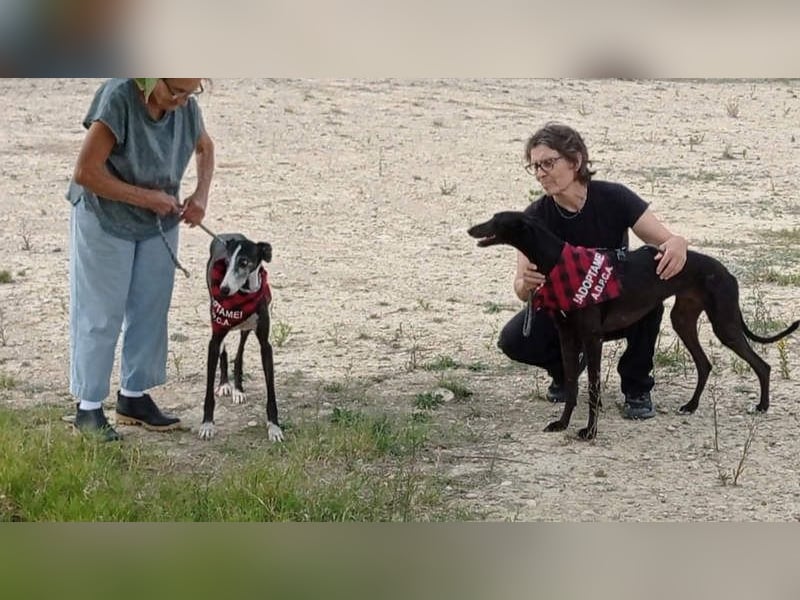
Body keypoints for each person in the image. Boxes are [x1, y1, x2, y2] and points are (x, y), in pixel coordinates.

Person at [497, 122, 687, 419]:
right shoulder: (534, 217)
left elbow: (665, 240)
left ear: (575, 161)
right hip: (567, 311)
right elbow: (521, 288)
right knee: (512, 340)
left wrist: (678, 244)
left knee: (649, 296)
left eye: (548, 163)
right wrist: (526, 284)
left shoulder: (614, 197)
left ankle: (636, 386)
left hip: (614, 305)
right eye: (534, 167)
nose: (541, 173)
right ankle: (566, 371)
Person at [66, 78, 215, 440]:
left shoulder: (186, 107)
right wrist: (148, 198)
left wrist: (200, 196)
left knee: (151, 308)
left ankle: (133, 398)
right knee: (102, 313)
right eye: (174, 91)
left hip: (155, 222)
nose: (180, 101)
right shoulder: (118, 97)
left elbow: (205, 148)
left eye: (189, 92)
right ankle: (88, 408)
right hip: (105, 216)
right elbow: (85, 173)